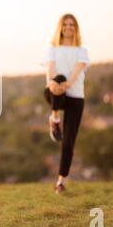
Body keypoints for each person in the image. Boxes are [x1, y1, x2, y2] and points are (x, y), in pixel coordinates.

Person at [42, 13, 90, 194]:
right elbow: (51, 69)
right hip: (54, 94)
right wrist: (54, 84)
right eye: (65, 24)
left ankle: (61, 181)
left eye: (72, 25)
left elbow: (78, 71)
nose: (68, 27)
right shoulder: (52, 49)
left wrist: (67, 85)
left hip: (75, 95)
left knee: (69, 141)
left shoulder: (82, 51)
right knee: (58, 77)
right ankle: (54, 118)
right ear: (60, 28)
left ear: (75, 28)